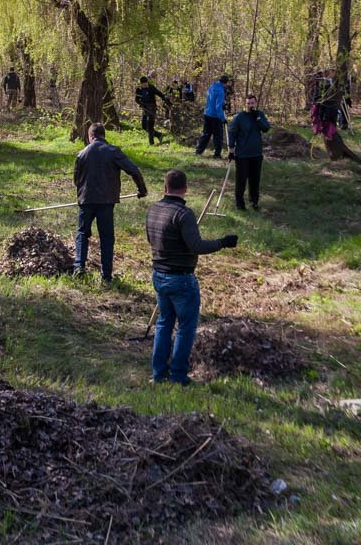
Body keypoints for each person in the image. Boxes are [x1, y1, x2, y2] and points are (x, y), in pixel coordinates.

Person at [145, 169, 238, 386]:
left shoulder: (154, 209)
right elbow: (197, 246)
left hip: (159, 275)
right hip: (181, 280)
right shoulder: (183, 214)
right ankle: (178, 376)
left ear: (165, 187)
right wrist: (223, 242)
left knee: (164, 323)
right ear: (185, 188)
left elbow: (151, 239)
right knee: (186, 326)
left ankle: (159, 375)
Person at [73, 122, 148, 285]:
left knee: (82, 233)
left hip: (86, 200)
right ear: (103, 136)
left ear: (90, 136)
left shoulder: (82, 154)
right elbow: (133, 170)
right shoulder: (113, 151)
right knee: (106, 237)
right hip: (106, 202)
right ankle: (106, 275)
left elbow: (76, 180)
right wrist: (142, 189)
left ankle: (79, 267)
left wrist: (83, 193)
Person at [227, 94, 271, 211]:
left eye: (252, 103)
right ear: (245, 104)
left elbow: (266, 128)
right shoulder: (239, 117)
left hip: (256, 154)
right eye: (248, 103)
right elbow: (232, 133)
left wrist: (257, 118)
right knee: (241, 180)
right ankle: (240, 204)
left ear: (255, 103)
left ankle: (254, 202)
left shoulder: (259, 115)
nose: (250, 105)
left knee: (255, 180)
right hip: (242, 154)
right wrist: (231, 149)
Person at [195, 75, 228, 157]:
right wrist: (223, 118)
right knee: (218, 136)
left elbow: (210, 99)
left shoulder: (212, 86)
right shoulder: (221, 91)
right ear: (225, 83)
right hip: (215, 116)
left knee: (206, 134)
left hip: (207, 113)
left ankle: (198, 151)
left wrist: (222, 104)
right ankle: (217, 154)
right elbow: (218, 107)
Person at [135, 76, 171, 145]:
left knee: (150, 126)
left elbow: (159, 94)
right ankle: (159, 135)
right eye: (144, 84)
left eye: (146, 83)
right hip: (145, 109)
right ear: (141, 84)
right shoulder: (139, 89)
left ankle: (151, 143)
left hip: (152, 108)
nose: (145, 85)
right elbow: (136, 99)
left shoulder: (151, 87)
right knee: (144, 126)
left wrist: (166, 99)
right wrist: (141, 104)